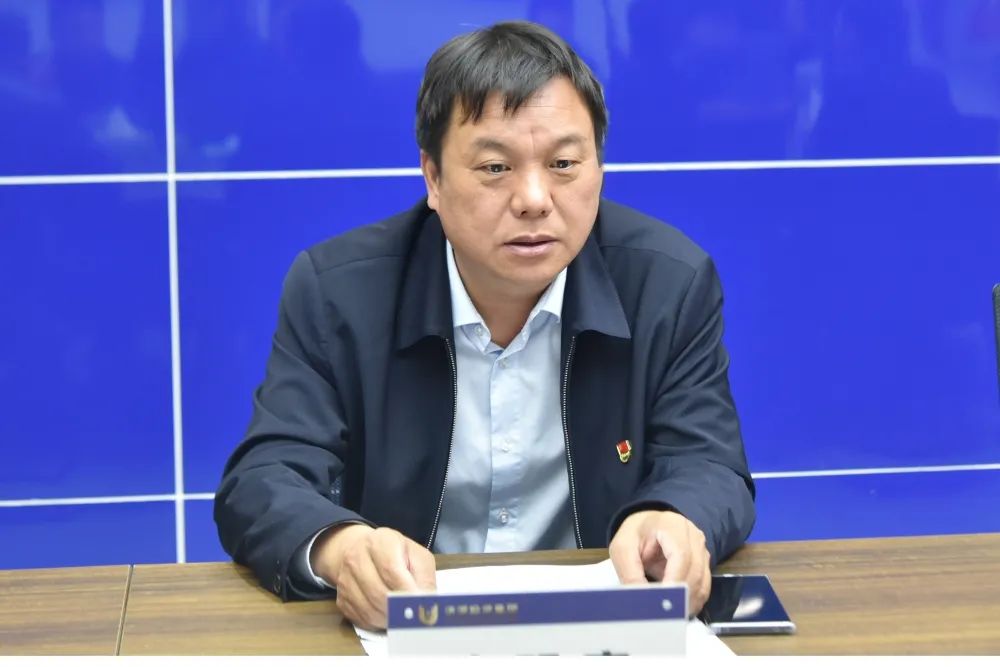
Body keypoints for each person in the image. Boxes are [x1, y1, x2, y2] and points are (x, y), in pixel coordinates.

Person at [214, 20, 755, 631]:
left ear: (599, 168)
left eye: (564, 163)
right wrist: (343, 549)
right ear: (433, 178)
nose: (534, 198)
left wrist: (674, 517)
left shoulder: (668, 284)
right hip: (413, 631)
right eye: (496, 168)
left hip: (596, 627)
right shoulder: (340, 292)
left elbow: (709, 465)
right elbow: (264, 478)